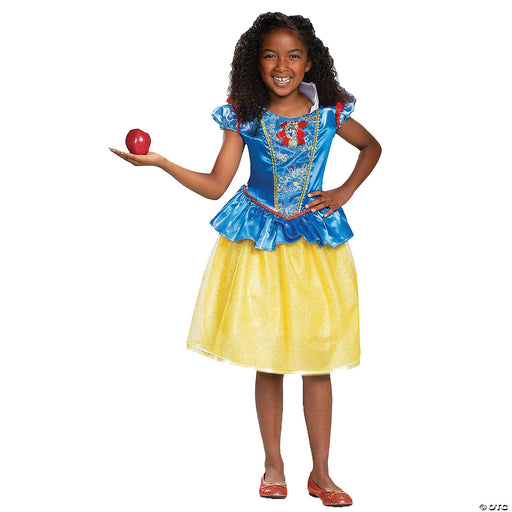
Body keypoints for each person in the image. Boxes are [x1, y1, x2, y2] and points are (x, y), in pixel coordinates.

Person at [109, 11, 381, 507]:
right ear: (256, 63)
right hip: (260, 243)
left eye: (293, 56)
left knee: (318, 361)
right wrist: (161, 162)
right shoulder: (245, 116)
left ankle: (321, 473)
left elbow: (371, 147)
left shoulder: (329, 112)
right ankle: (273, 464)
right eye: (271, 55)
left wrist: (344, 190)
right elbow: (217, 185)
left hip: (314, 246)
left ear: (309, 63)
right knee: (270, 358)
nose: (282, 65)